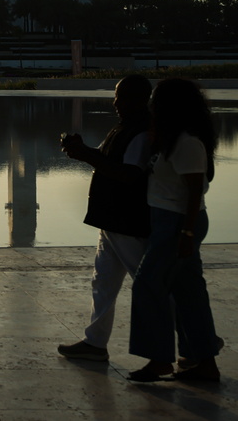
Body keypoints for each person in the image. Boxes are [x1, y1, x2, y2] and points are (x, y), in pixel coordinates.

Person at [128, 77, 222, 382]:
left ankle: (160, 360)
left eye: (156, 100)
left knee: (147, 285)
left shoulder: (188, 143)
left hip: (179, 223)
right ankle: (204, 361)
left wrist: (187, 234)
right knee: (188, 292)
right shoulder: (170, 138)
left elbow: (196, 192)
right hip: (166, 220)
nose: (151, 104)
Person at [57, 74, 153, 363]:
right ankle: (95, 343)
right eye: (115, 96)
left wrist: (86, 155)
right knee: (103, 282)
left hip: (126, 219)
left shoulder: (142, 131)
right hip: (111, 219)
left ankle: (199, 336)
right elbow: (107, 158)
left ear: (138, 100)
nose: (115, 103)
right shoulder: (125, 127)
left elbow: (130, 173)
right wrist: (82, 150)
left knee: (149, 282)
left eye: (121, 97)